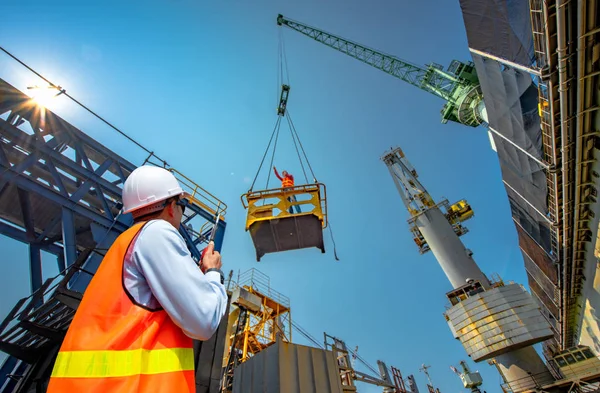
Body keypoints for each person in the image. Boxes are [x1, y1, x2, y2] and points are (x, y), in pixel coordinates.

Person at [46, 165, 228, 393]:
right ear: (171, 207)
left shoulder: (126, 243)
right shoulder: (158, 232)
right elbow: (204, 321)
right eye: (181, 205)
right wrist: (212, 273)